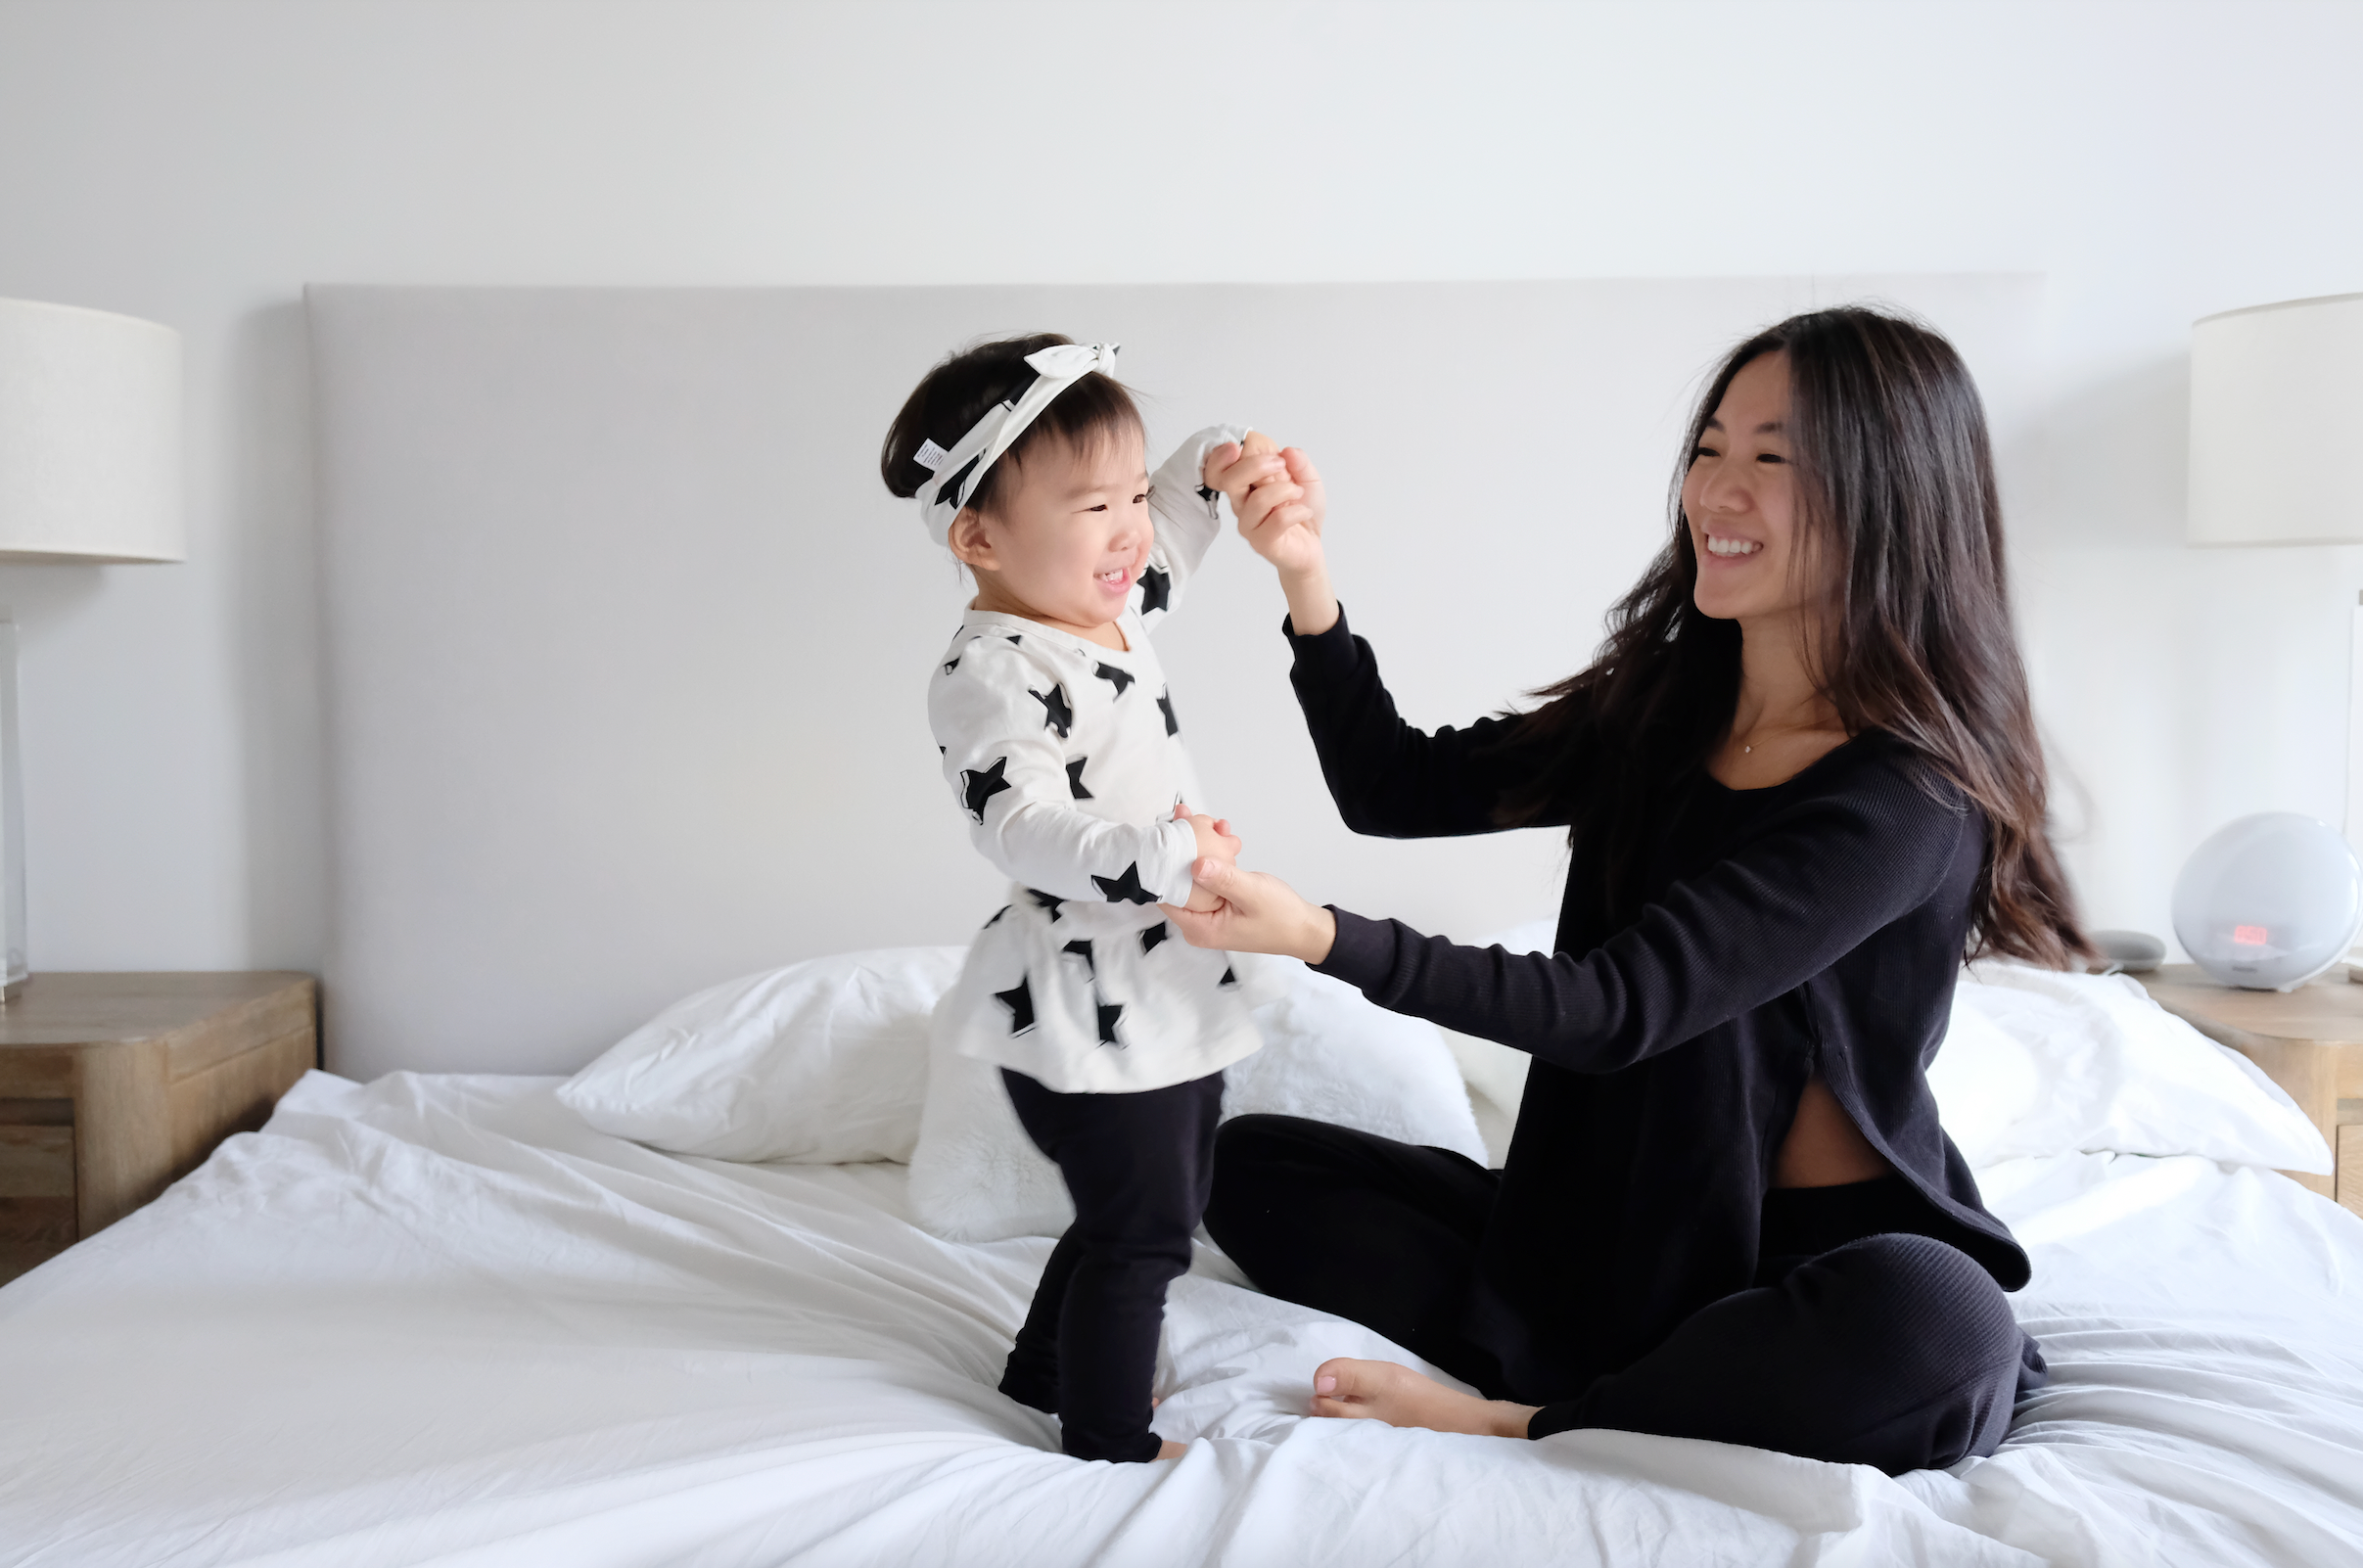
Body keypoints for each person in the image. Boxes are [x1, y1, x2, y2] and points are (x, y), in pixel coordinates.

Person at [1164, 306, 2089, 1475]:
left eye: (1772, 458)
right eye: (1707, 450)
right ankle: (1647, 1374)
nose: (1717, 491)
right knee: (1246, 1162)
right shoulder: (1662, 711)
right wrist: (1303, 574)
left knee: (1942, 1328)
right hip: (1616, 1236)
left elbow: (1617, 1008)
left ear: (1886, 496)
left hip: (1813, 1264)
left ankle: (1535, 1417)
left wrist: (1317, 936)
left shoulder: (1906, 798)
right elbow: (1391, 785)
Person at [882, 334, 1274, 1463]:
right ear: (979, 537)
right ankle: (1106, 1434)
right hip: (1084, 993)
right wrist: (1154, 855)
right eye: (1094, 504)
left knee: (1146, 1205)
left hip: (1164, 982)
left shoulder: (1112, 608)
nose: (1131, 527)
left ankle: (1043, 1365)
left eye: (1133, 492)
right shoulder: (991, 671)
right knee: (1146, 1236)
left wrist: (1214, 462)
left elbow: (1182, 536)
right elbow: (1016, 823)